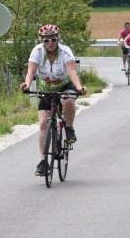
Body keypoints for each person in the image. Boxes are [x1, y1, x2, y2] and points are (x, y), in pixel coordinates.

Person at [20, 24, 87, 177]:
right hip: (46, 89)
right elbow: (31, 71)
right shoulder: (37, 51)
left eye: (53, 39)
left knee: (67, 99)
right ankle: (43, 162)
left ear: (58, 39)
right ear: (42, 41)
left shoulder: (65, 51)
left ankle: (69, 128)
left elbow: (72, 71)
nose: (50, 43)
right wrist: (27, 85)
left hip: (64, 86)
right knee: (44, 124)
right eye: (46, 40)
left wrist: (79, 87)